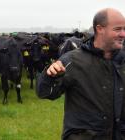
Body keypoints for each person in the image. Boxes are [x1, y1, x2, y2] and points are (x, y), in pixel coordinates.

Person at [36, 8, 125, 140]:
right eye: (117, 29)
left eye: (124, 29)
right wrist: (51, 75)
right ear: (100, 29)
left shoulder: (123, 61)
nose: (123, 34)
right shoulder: (72, 61)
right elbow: (44, 92)